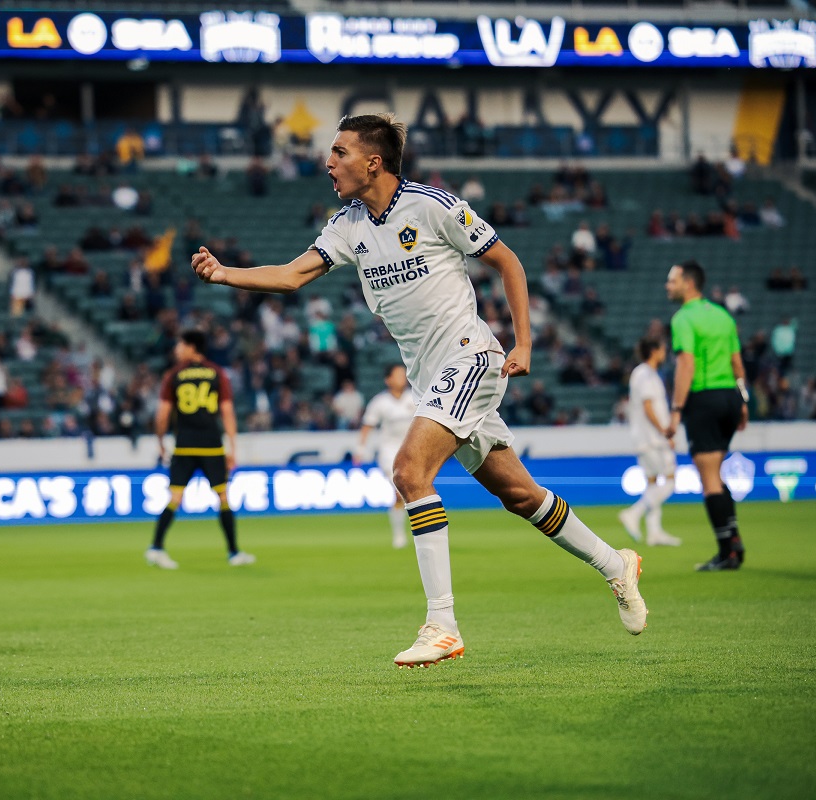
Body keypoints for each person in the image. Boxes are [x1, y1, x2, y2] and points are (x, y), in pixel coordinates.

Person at [191, 113, 647, 668]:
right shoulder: (348, 224)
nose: (329, 162)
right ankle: (615, 565)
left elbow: (508, 262)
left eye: (339, 152)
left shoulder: (432, 206)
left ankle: (442, 624)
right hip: (430, 377)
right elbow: (291, 275)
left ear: (373, 161)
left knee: (409, 472)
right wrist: (223, 273)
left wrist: (522, 344)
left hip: (470, 356)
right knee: (520, 495)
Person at [664, 260, 748, 571]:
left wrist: (675, 411)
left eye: (672, 280)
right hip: (729, 396)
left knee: (709, 478)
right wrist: (743, 401)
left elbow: (686, 365)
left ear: (688, 283)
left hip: (704, 398)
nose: (667, 285)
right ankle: (734, 543)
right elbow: (737, 362)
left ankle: (728, 552)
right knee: (717, 472)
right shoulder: (723, 315)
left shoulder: (683, 318)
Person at [147, 330, 253, 569]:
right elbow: (227, 411)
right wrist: (233, 447)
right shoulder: (217, 373)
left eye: (180, 345)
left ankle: (156, 548)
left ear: (192, 347)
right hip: (211, 444)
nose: (177, 349)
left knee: (175, 497)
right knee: (224, 497)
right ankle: (234, 553)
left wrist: (161, 441)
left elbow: (162, 415)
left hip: (184, 444)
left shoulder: (174, 375)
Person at [619, 338, 681, 547]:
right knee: (670, 481)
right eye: (663, 348)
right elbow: (648, 407)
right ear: (654, 351)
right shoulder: (645, 374)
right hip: (652, 439)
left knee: (653, 483)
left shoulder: (647, 373)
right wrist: (665, 432)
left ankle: (654, 532)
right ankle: (634, 513)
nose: (665, 352)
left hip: (646, 438)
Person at [354, 363, 416, 549]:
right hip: (389, 452)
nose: (402, 378)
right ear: (388, 380)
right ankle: (399, 535)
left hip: (411, 450)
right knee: (399, 492)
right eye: (397, 375)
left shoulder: (415, 397)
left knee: (414, 493)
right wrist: (360, 449)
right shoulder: (379, 402)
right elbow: (367, 426)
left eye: (403, 374)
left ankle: (421, 532)